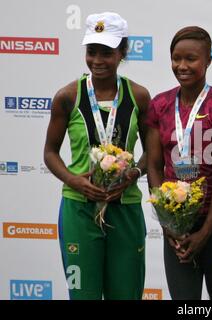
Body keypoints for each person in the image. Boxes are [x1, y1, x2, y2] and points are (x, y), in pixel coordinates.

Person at [43, 12, 150, 300]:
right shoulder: (67, 96)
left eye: (107, 52)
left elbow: (153, 153)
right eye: (92, 52)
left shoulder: (138, 96)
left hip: (124, 205)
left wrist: (133, 175)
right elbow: (50, 153)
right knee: (83, 294)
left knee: (126, 294)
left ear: (122, 52)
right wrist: (73, 180)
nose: (98, 60)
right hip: (79, 208)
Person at [145, 26, 212, 300]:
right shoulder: (159, 105)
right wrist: (167, 222)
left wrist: (206, 231)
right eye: (176, 58)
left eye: (191, 59)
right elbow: (153, 165)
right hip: (177, 224)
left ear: (208, 60)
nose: (182, 66)